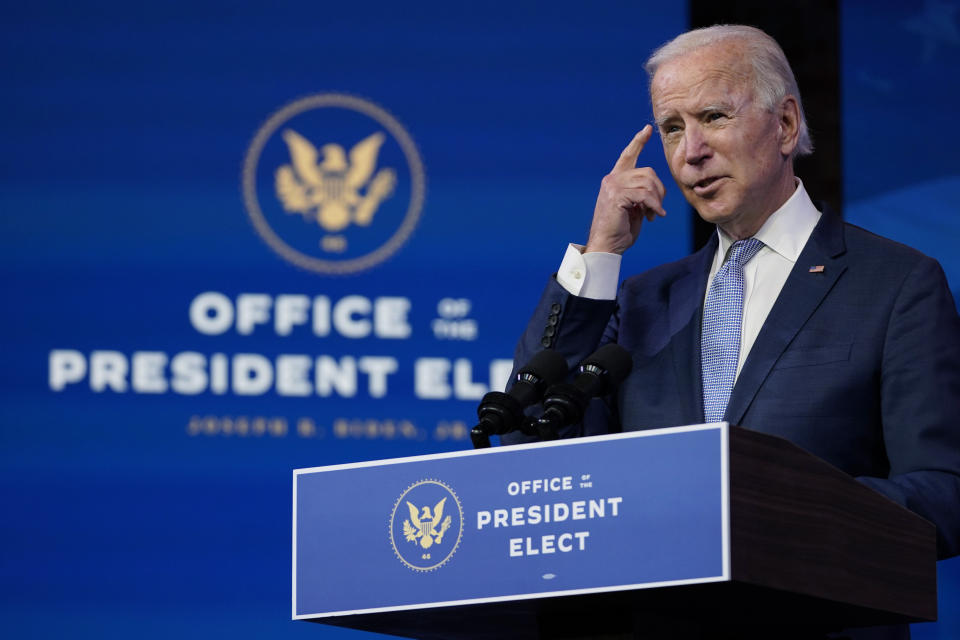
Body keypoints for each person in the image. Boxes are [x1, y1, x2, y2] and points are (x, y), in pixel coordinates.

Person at [503, 25, 960, 639]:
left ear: (786, 125)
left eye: (713, 117)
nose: (690, 151)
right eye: (671, 128)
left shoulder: (897, 284)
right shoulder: (640, 301)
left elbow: (942, 491)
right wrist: (602, 252)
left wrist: (771, 518)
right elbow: (529, 438)